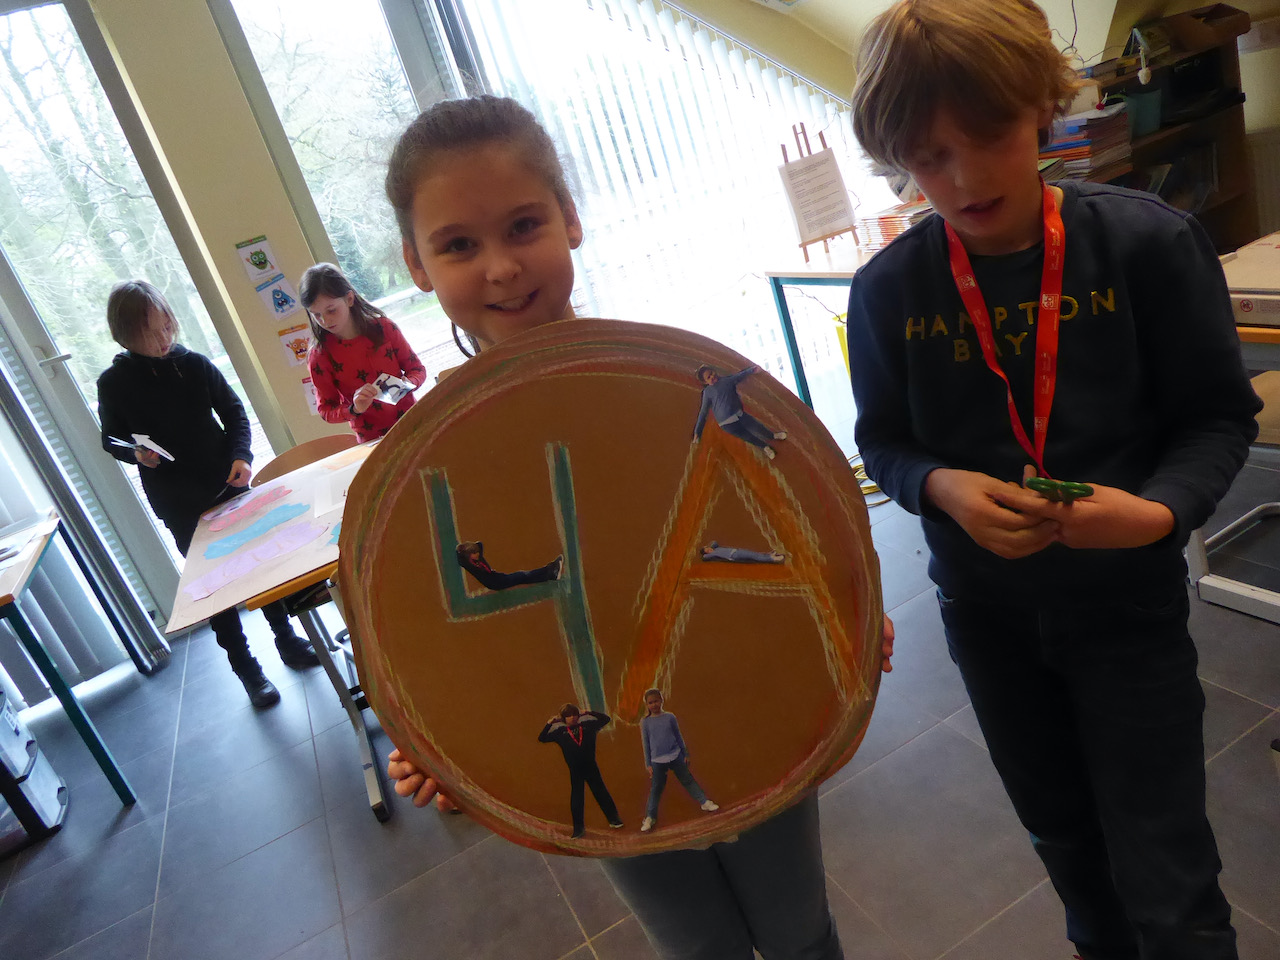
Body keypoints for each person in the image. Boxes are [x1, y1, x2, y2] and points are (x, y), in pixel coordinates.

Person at [378, 94, 894, 960]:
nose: (500, 268)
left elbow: (774, 523)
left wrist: (839, 611)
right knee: (699, 949)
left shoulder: (663, 386)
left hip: (743, 701)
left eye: (524, 225)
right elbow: (446, 637)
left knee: (798, 932)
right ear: (416, 264)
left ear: (570, 219)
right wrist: (443, 737)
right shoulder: (436, 462)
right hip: (605, 752)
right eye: (458, 245)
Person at [846, 3, 1261, 958]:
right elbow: (885, 443)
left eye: (988, 137)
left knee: (1170, 878)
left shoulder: (1149, 246)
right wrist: (941, 487)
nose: (962, 178)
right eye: (927, 156)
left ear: (1042, 106)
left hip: (1128, 612)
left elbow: (1217, 416)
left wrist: (1157, 514)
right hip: (986, 621)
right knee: (1066, 847)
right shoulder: (889, 290)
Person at [97, 280, 319, 708]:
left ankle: (287, 640)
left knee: (262, 566)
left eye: (167, 327)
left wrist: (242, 456)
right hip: (179, 503)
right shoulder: (114, 382)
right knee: (217, 586)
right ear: (125, 335)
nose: (163, 339)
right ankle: (247, 670)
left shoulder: (194, 364)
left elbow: (234, 413)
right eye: (151, 333)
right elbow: (111, 438)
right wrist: (135, 453)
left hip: (227, 483)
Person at [299, 262, 427, 442]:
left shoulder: (384, 328)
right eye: (316, 315)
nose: (325, 321)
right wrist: (354, 409)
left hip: (414, 422)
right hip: (372, 440)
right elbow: (326, 410)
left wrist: (409, 383)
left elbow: (417, 369)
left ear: (349, 299)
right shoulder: (319, 356)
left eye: (331, 310)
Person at [538, 704, 624, 838]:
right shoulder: (560, 732)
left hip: (590, 766)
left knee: (601, 792)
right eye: (568, 715)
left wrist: (589, 712)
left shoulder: (588, 726)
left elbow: (606, 719)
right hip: (575, 769)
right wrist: (549, 723)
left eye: (574, 714)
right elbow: (542, 738)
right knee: (577, 798)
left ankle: (614, 819)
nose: (572, 717)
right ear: (563, 719)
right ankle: (578, 829)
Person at [639, 688, 717, 833]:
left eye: (656, 701)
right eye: (650, 703)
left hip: (675, 755)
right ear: (647, 705)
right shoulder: (645, 722)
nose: (654, 705)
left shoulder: (670, 717)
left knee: (688, 780)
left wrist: (685, 753)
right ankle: (650, 817)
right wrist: (648, 764)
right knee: (656, 789)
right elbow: (646, 744)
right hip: (657, 761)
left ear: (661, 701)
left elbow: (678, 735)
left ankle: (704, 802)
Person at [691, 364, 786, 459]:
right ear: (705, 382)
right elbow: (703, 412)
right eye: (708, 377)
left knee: (756, 426)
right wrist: (697, 431)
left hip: (739, 414)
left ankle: (773, 436)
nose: (712, 376)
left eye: (711, 373)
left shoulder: (726, 381)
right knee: (747, 436)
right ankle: (765, 447)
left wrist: (752, 370)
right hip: (726, 424)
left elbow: (739, 376)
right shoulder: (707, 392)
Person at [455, 541, 563, 590]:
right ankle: (549, 570)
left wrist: (466, 547)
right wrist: (461, 551)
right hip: (495, 583)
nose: (478, 554)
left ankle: (549, 575)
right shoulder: (469, 565)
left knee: (523, 579)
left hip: (495, 576)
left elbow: (480, 544)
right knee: (522, 575)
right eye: (475, 553)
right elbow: (461, 560)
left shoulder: (478, 558)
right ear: (469, 555)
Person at [700, 541, 785, 563]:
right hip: (735, 555)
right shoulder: (711, 555)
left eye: (708, 548)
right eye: (707, 551)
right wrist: (706, 551)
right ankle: (773, 559)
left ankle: (769, 555)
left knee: (754, 554)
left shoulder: (716, 548)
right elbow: (704, 558)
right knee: (754, 557)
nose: (709, 550)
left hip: (737, 551)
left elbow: (714, 542)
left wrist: (709, 547)